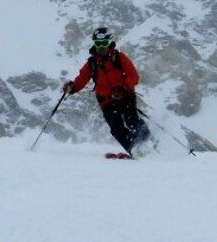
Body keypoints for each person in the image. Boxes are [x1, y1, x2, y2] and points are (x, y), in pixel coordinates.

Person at [63, 27, 152, 156]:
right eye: (98, 44)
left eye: (104, 43)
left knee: (132, 120)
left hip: (125, 96)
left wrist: (123, 88)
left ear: (109, 42)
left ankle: (149, 144)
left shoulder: (120, 58)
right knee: (116, 128)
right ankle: (134, 149)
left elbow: (134, 77)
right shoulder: (92, 64)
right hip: (106, 101)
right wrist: (72, 88)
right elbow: (81, 80)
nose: (101, 47)